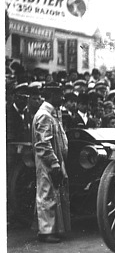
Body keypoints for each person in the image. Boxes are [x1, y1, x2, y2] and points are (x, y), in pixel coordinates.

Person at [32, 84, 71, 243]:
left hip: (55, 158)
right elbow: (43, 144)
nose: (62, 98)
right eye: (59, 95)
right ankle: (46, 232)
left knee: (54, 193)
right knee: (47, 193)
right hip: (48, 161)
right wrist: (54, 163)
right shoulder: (44, 115)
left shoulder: (52, 114)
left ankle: (53, 229)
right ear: (51, 95)